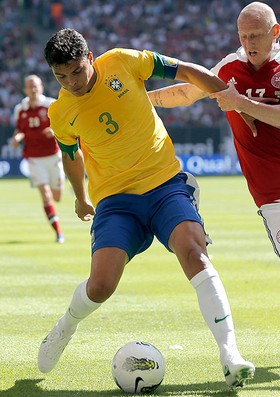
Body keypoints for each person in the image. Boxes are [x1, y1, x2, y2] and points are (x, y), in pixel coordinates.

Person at [37, 28, 255, 389]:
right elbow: (71, 156)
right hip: (116, 201)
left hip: (165, 184)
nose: (71, 82)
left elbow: (185, 70)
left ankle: (230, 354)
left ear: (89, 58)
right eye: (61, 76)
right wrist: (79, 196)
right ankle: (65, 327)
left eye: (76, 71)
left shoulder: (123, 60)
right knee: (101, 285)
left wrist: (229, 96)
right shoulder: (61, 112)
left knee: (194, 252)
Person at [148, 2, 280, 280]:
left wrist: (240, 102)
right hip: (276, 199)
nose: (248, 42)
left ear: (275, 30)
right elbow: (187, 93)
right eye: (243, 35)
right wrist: (141, 101)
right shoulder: (230, 66)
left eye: (255, 35)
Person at [12, 75, 65, 243]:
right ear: (25, 90)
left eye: (36, 86)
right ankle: (58, 233)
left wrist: (54, 131)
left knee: (57, 196)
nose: (33, 89)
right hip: (34, 158)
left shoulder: (51, 105)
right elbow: (19, 129)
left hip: (52, 155)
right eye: (30, 86)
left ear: (41, 87)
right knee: (46, 196)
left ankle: (56, 185)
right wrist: (17, 138)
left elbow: (64, 126)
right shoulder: (20, 109)